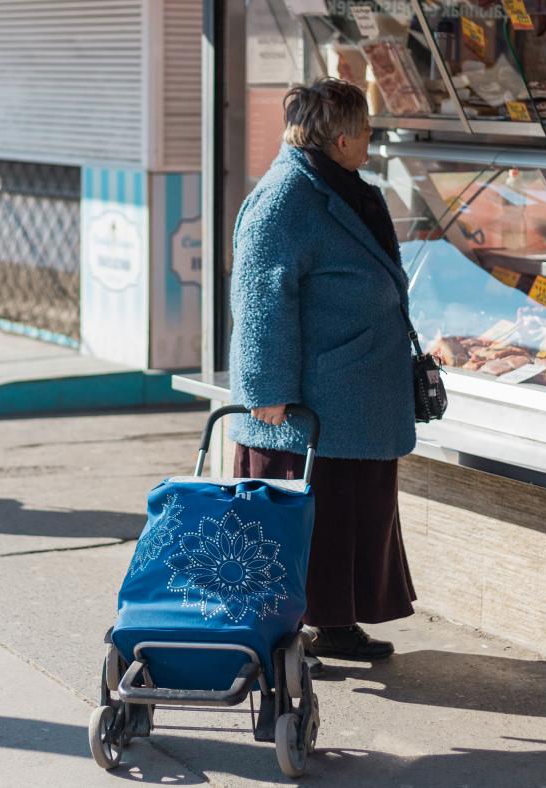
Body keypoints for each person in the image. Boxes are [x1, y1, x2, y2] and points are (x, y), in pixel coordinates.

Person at [229, 78, 417, 662]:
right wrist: (267, 389)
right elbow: (260, 297)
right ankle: (289, 633)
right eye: (365, 132)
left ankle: (335, 624)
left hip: (352, 391)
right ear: (341, 138)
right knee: (312, 517)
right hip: (307, 401)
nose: (370, 143)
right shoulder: (285, 197)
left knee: (349, 512)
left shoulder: (342, 186)